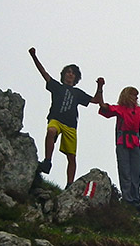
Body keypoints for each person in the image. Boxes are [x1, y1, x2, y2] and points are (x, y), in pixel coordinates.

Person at [28, 47, 104, 188]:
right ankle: (47, 161)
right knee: (51, 131)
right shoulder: (57, 86)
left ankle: (69, 184)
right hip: (56, 119)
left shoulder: (77, 93)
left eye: (73, 73)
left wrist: (100, 86)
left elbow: (96, 100)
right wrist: (34, 56)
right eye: (68, 72)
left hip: (70, 125)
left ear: (76, 78)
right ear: (63, 75)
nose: (70, 74)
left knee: (71, 156)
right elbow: (43, 72)